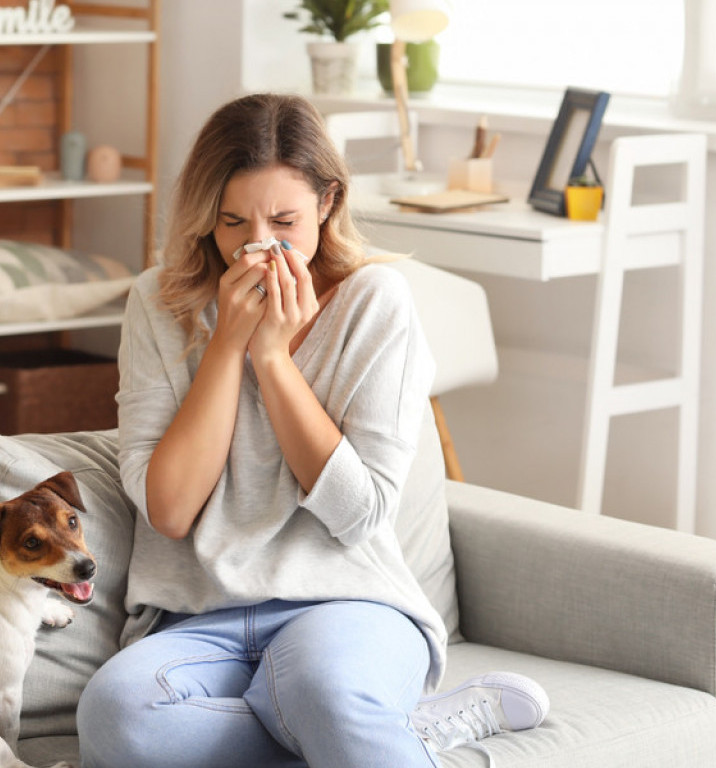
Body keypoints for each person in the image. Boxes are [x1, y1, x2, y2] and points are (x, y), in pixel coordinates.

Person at [75, 93, 545, 768]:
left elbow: (359, 513)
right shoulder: (158, 302)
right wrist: (226, 346)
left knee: (321, 690)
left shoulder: (374, 302)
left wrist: (272, 358)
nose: (257, 245)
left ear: (328, 202)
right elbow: (170, 510)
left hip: (346, 602)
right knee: (117, 718)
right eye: (232, 222)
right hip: (194, 620)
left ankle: (350, 720)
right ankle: (385, 732)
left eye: (284, 221)